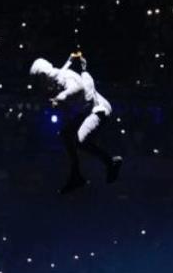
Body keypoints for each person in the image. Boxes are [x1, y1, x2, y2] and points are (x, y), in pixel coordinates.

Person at [30, 52, 121, 193]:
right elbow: (64, 70)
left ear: (43, 76)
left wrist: (60, 97)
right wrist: (70, 60)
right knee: (66, 135)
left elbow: (77, 88)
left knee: (80, 140)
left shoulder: (63, 78)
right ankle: (76, 175)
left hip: (97, 109)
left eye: (38, 81)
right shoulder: (56, 77)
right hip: (85, 111)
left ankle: (111, 162)